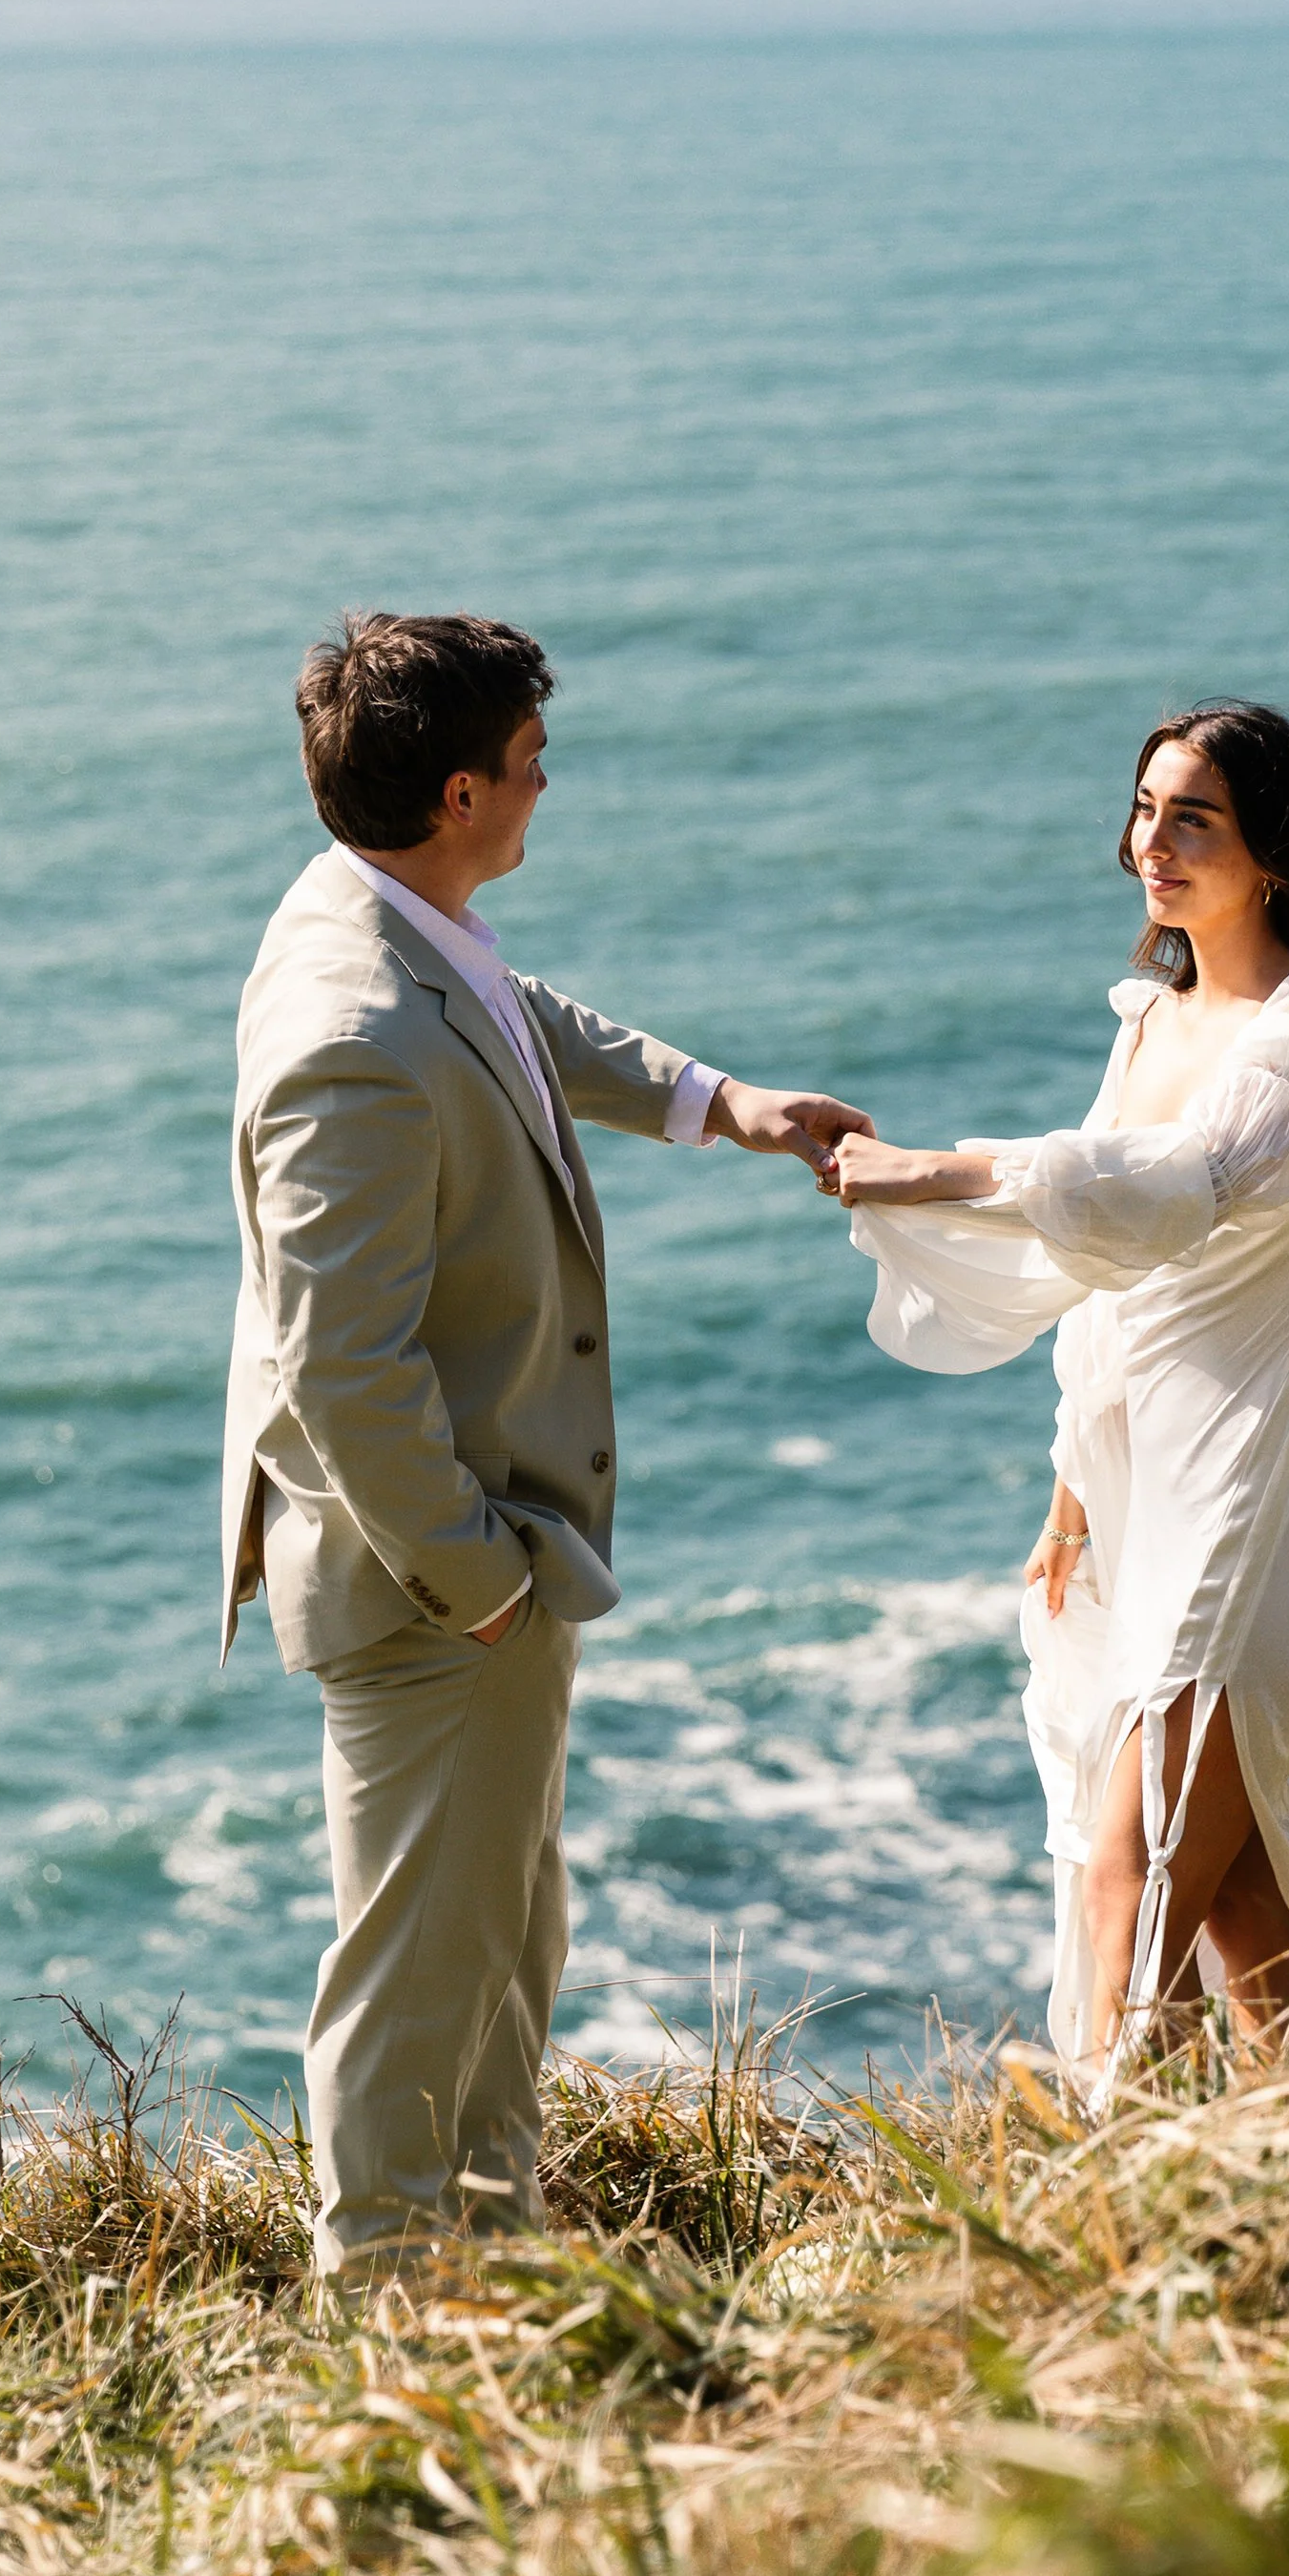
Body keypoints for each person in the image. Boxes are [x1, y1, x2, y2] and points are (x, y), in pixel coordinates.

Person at [220, 611, 869, 2278]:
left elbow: (516, 1022)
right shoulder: (351, 1032)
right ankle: (383, 2321)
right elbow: (343, 1365)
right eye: (526, 765)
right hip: (436, 1578)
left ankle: (494, 2278)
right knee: (416, 1970)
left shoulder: (394, 921)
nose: (541, 788)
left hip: (490, 1551)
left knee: (505, 1939)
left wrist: (723, 1103)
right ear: (456, 791)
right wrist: (478, 1581)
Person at [825, 702, 1289, 2090]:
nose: (1150, 842)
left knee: (1126, 1871)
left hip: (1249, 1487)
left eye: (1191, 816)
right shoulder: (1154, 1017)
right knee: (1229, 1894)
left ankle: (1105, 2175)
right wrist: (1071, 1489)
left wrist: (932, 1168)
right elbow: (1105, 1285)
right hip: (1135, 1493)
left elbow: (1177, 1191)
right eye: (1144, 810)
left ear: (1274, 848)